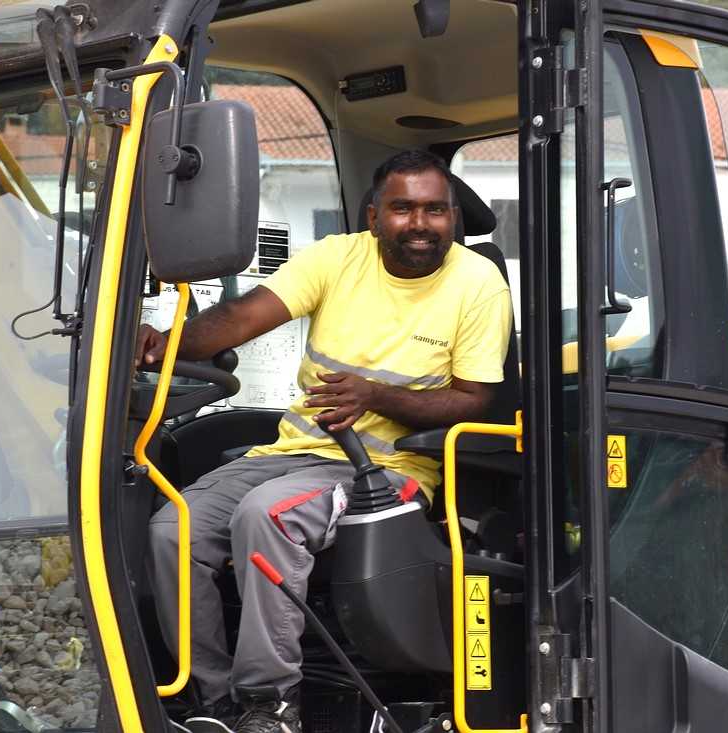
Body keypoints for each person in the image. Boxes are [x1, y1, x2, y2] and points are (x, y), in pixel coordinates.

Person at [141, 150, 512, 733]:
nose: (420, 223)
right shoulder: (337, 257)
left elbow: (473, 401)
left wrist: (375, 396)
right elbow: (243, 317)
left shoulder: (477, 282)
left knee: (266, 515)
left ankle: (269, 705)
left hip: (390, 468)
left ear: (452, 217)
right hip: (293, 451)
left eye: (435, 210)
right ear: (374, 217)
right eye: (403, 209)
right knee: (172, 529)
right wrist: (164, 344)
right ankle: (214, 704)